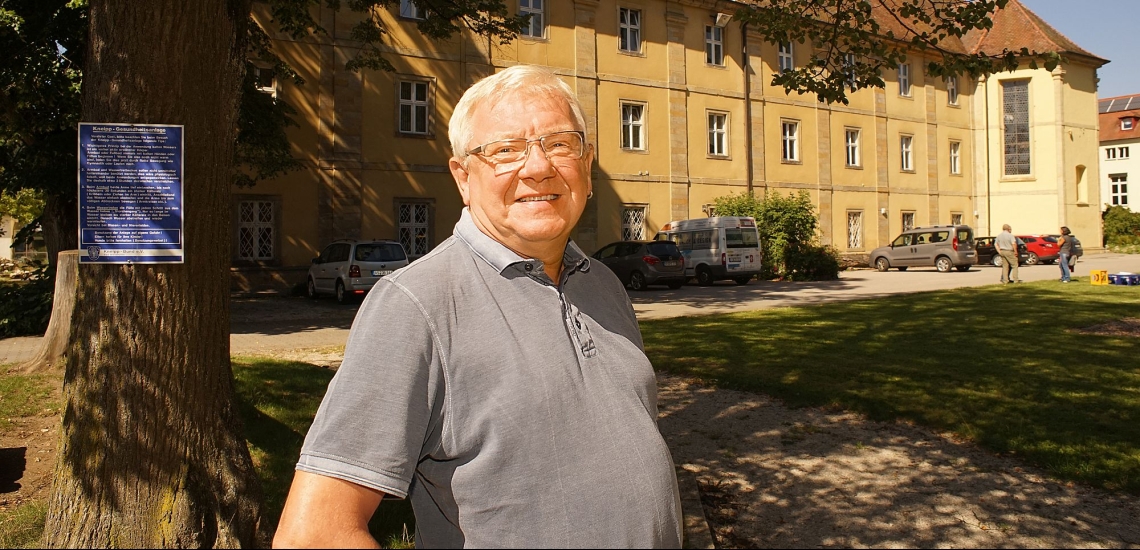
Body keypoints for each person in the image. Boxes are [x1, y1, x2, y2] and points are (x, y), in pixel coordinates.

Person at [273, 65, 683, 549]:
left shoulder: (604, 284)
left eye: (559, 144)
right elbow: (314, 535)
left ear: (586, 165)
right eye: (505, 150)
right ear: (463, 177)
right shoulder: (416, 304)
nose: (537, 167)